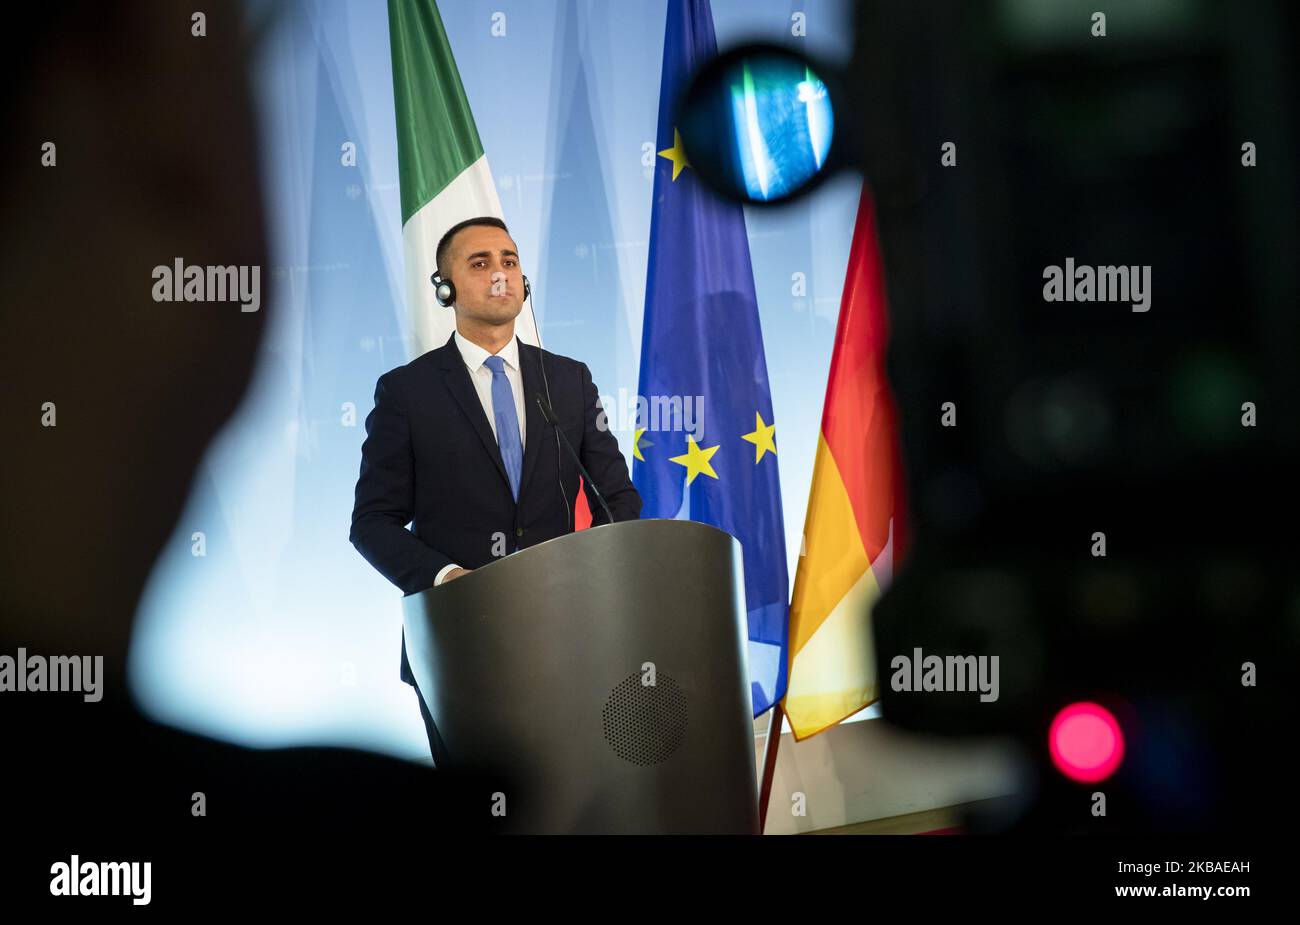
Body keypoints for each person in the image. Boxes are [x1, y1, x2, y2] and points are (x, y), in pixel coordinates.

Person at [349, 216, 642, 765]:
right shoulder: (406, 393)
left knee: (579, 799)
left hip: (568, 632)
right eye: (479, 264)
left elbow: (617, 499)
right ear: (445, 287)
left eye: (509, 261)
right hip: (461, 641)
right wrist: (447, 580)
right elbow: (372, 523)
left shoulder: (570, 379)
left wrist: (588, 576)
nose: (500, 274)